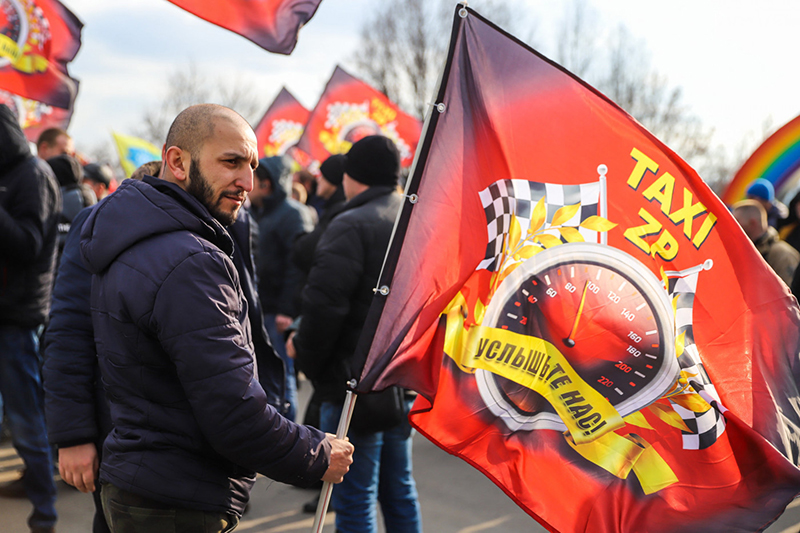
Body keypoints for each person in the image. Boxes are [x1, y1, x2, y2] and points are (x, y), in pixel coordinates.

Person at [79, 104, 352, 532]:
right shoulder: (189, 259)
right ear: (177, 161)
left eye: (252, 165)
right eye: (231, 161)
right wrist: (315, 454)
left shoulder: (142, 236)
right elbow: (234, 413)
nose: (246, 181)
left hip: (146, 485)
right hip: (174, 499)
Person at [292, 135, 422, 533]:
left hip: (351, 386)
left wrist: (312, 365)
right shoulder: (417, 217)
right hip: (400, 379)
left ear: (354, 176)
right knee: (398, 489)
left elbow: (323, 308)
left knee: (354, 496)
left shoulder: (350, 223)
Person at [0, 104, 60, 533]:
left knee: (26, 421)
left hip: (17, 320)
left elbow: (28, 243)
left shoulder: (33, 175)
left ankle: (45, 512)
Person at [247, 156, 314, 422]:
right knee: (264, 373)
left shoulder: (292, 214)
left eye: (252, 179)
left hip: (278, 313)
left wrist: (288, 310)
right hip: (260, 308)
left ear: (266, 184)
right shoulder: (257, 213)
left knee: (281, 373)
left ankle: (287, 428)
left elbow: (298, 268)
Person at [733, 199, 800, 285]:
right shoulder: (747, 253)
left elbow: (791, 293)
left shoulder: (781, 254)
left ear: (752, 223)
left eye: (737, 221)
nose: (733, 227)